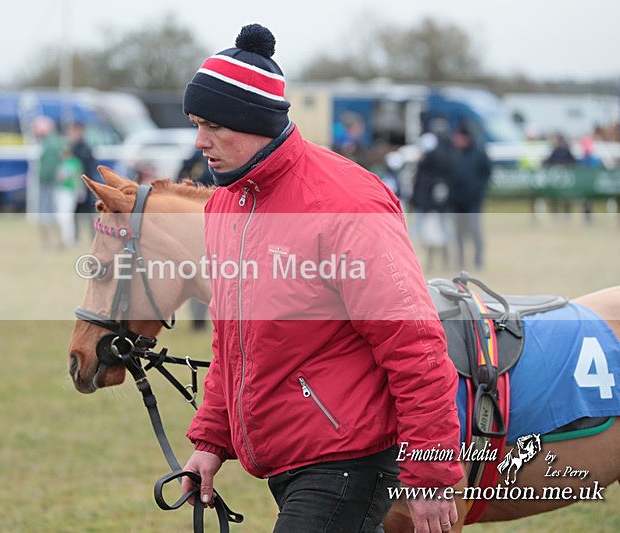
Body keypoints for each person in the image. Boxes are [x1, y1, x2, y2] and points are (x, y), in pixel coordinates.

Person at [179, 24, 462, 532]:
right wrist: (211, 442)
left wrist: (431, 477)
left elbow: (413, 342)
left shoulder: (346, 202)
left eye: (214, 126)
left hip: (348, 457)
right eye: (197, 123)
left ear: (256, 122)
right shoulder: (224, 204)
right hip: (290, 457)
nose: (200, 141)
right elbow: (233, 339)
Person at [410, 131, 455, 271]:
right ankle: (435, 263)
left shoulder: (430, 173)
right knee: (433, 236)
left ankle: (442, 263)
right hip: (432, 207)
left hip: (432, 208)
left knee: (436, 235)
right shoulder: (440, 168)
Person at [449, 126, 492, 270]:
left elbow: (487, 172)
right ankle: (460, 261)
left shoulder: (478, 154)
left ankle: (478, 261)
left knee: (475, 231)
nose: (456, 141)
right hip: (456, 202)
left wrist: (479, 187)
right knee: (459, 233)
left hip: (473, 200)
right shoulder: (453, 154)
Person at [66, 121, 99, 243]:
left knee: (90, 213)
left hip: (85, 185)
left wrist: (87, 184)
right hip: (73, 186)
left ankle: (94, 238)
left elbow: (90, 169)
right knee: (73, 212)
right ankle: (75, 238)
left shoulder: (86, 149)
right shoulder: (71, 148)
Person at [34, 116, 63, 248]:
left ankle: (50, 242)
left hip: (48, 183)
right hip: (51, 183)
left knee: (47, 213)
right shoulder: (51, 142)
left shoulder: (50, 144)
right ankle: (55, 241)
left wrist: (44, 178)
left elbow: (49, 167)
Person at [53, 144, 82, 248]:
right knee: (62, 217)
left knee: (66, 217)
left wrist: (79, 190)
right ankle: (64, 239)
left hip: (70, 191)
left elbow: (74, 176)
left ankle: (68, 240)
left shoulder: (73, 162)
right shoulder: (62, 162)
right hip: (62, 190)